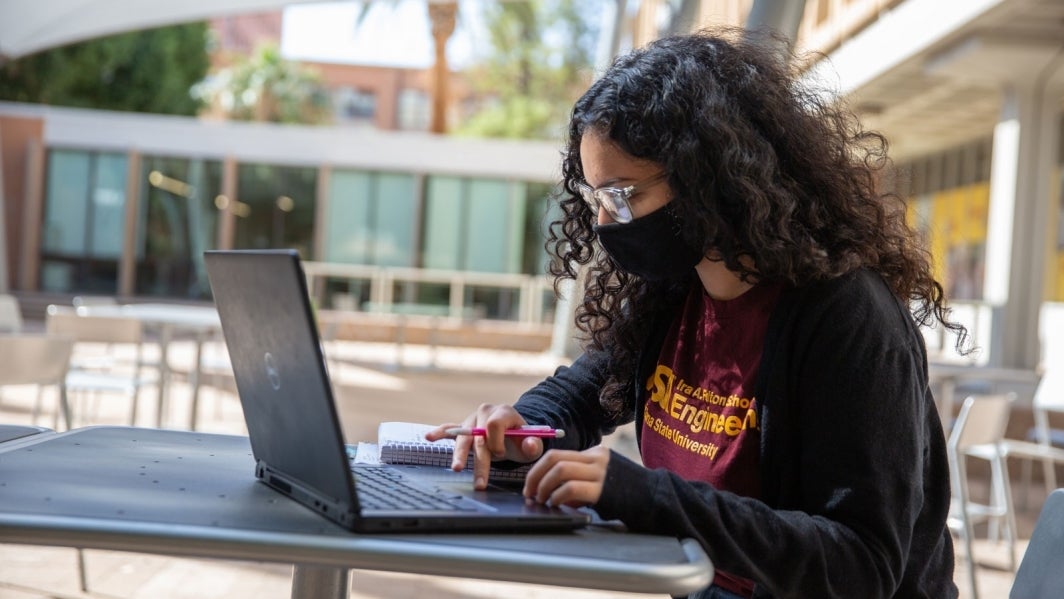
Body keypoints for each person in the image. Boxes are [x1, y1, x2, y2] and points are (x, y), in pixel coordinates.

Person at [427, 27, 965, 599]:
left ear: (708, 179)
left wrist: (653, 498)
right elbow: (582, 393)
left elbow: (861, 564)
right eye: (597, 199)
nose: (607, 224)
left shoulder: (847, 319)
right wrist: (523, 428)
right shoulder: (671, 291)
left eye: (624, 196)